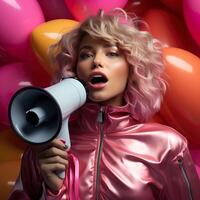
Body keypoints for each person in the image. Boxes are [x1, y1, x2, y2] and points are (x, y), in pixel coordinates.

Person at [9, 9, 200, 200]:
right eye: (85, 55)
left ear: (132, 67)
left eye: (112, 53)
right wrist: (50, 189)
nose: (97, 62)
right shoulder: (43, 151)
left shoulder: (165, 145)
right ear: (74, 70)